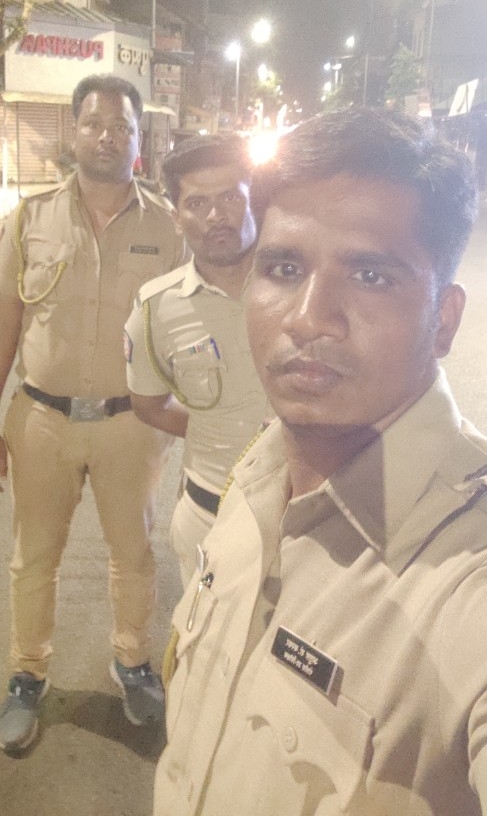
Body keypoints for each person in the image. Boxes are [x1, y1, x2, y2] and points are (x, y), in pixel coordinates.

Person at [153, 106, 487, 816]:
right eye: (282, 268)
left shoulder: (465, 572)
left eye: (369, 275)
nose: (308, 317)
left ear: (444, 321)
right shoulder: (262, 468)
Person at [0, 74, 186, 753]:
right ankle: (27, 674)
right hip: (40, 421)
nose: (108, 135)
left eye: (122, 126)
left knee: (133, 552)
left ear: (138, 140)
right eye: (94, 123)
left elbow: (191, 326)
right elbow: (6, 319)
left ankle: (132, 662)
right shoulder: (29, 219)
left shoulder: (169, 227)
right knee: (33, 558)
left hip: (130, 424)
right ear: (73, 133)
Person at [125, 134, 270, 587]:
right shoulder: (156, 309)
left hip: (307, 519)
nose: (215, 216)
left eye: (230, 197)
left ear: (254, 199)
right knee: (204, 632)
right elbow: (148, 406)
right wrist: (218, 427)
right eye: (197, 203)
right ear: (176, 216)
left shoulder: (304, 287)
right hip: (210, 513)